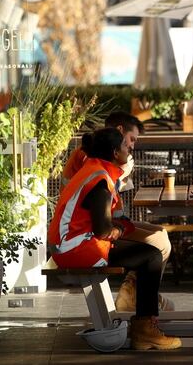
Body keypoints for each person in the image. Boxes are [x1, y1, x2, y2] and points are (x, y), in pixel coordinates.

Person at [49, 128, 181, 350]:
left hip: (70, 245)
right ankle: (145, 330)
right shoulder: (100, 180)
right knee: (151, 257)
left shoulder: (95, 170)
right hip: (77, 249)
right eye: (124, 145)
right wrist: (120, 230)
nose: (129, 147)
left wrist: (121, 227)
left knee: (148, 253)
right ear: (114, 152)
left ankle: (143, 321)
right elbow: (103, 231)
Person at [62, 112, 174, 313]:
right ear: (119, 137)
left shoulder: (95, 154)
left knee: (160, 234)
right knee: (158, 242)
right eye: (131, 140)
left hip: (92, 229)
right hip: (85, 236)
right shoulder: (93, 157)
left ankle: (135, 295)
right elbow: (100, 195)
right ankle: (135, 298)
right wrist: (123, 173)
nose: (132, 146)